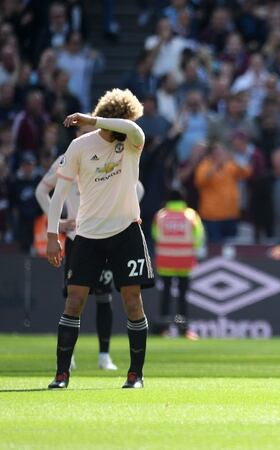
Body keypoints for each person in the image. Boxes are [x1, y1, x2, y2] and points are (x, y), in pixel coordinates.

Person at [45, 89, 155, 390]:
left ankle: (135, 375)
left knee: (133, 300)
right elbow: (59, 194)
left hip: (126, 232)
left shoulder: (132, 142)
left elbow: (133, 129)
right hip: (88, 235)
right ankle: (62, 374)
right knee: (75, 301)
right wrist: (52, 235)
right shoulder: (79, 147)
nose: (123, 127)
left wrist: (92, 119)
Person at [36, 128, 145, 371]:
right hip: (79, 236)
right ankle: (69, 358)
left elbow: (137, 188)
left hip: (109, 234)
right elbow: (42, 190)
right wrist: (58, 223)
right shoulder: (67, 157)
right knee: (74, 298)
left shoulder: (113, 154)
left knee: (106, 296)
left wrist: (124, 212)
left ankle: (104, 355)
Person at [152, 189, 204, 339]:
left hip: (165, 262)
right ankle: (183, 329)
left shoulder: (160, 215)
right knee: (182, 297)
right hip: (184, 261)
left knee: (165, 296)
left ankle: (163, 329)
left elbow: (155, 235)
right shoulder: (191, 215)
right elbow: (199, 237)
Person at [194, 142, 252, 243]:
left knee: (231, 246)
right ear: (211, 154)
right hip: (212, 216)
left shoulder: (230, 165)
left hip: (231, 214)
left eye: (222, 152)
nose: (220, 155)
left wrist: (235, 160)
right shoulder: (205, 165)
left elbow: (247, 173)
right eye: (217, 153)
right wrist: (215, 166)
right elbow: (200, 181)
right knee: (215, 247)